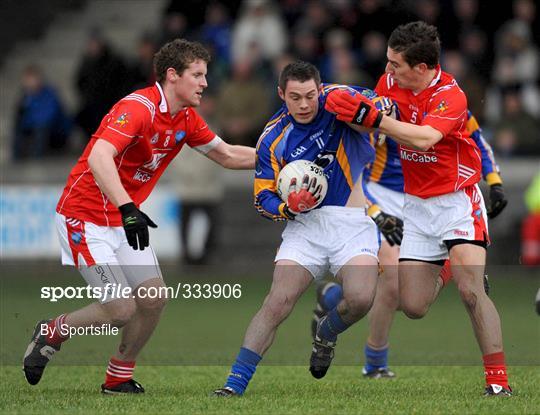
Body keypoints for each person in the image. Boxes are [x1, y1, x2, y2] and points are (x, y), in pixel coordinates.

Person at [22, 39, 255, 394]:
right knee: (120, 309)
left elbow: (227, 155)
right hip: (83, 218)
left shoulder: (186, 118)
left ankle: (117, 377)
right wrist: (128, 207)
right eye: (198, 75)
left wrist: (279, 157)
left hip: (123, 220)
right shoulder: (137, 108)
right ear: (173, 76)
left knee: (154, 298)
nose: (205, 83)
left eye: (205, 75)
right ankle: (53, 331)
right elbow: (100, 157)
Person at [324, 21, 512, 396]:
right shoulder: (390, 84)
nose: (388, 70)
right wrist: (346, 109)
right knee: (412, 306)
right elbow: (371, 128)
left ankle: (498, 382)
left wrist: (376, 118)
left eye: (396, 64)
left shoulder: (450, 95)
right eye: (388, 62)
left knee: (472, 292)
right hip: (417, 207)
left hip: (458, 201)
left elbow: (425, 139)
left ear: (422, 68)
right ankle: (449, 265)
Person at [212, 61, 379, 397]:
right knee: (277, 302)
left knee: (361, 299)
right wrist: (287, 207)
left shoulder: (339, 100)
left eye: (310, 96)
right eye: (295, 97)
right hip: (305, 227)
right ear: (281, 95)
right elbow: (263, 198)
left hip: (352, 222)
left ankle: (326, 333)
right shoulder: (273, 138)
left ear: (320, 89)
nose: (304, 105)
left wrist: (371, 109)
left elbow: (379, 105)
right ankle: (234, 385)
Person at [312, 108, 508, 379]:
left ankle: (335, 297)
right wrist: (374, 211)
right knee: (392, 282)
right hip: (381, 197)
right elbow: (354, 161)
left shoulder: (447, 101)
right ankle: (375, 362)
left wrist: (494, 180)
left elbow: (476, 140)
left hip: (427, 199)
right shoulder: (383, 106)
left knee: (412, 301)